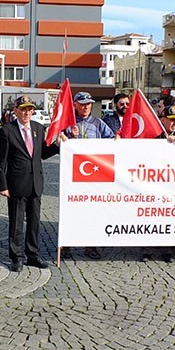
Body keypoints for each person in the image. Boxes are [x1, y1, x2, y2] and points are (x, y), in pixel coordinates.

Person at [0, 95, 64, 271]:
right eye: (23, 109)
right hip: (17, 183)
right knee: (17, 223)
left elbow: (42, 153)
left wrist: (56, 144)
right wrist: (2, 185)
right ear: (16, 111)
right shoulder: (7, 130)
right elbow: (1, 161)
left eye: (30, 109)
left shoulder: (38, 128)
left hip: (36, 183)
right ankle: (16, 257)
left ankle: (33, 255)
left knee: (34, 222)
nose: (27, 112)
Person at [140, 104, 175, 263]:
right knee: (151, 217)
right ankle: (146, 250)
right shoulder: (154, 136)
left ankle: (167, 251)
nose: (174, 123)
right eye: (170, 120)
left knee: (170, 218)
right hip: (155, 183)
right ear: (162, 120)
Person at [65, 91, 115, 259]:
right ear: (75, 105)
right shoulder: (69, 123)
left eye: (88, 103)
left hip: (93, 176)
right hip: (73, 176)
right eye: (82, 103)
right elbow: (58, 144)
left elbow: (112, 140)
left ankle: (91, 245)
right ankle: (66, 244)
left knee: (92, 211)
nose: (86, 107)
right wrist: (68, 136)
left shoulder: (98, 123)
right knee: (71, 211)